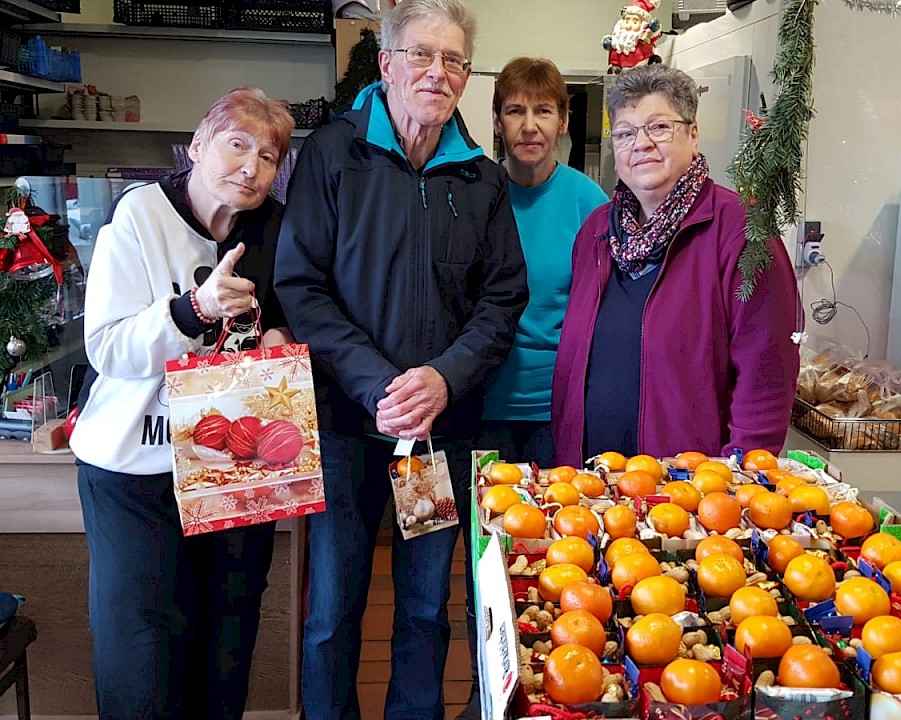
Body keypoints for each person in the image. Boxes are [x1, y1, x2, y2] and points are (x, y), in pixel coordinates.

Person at [273, 0, 528, 717]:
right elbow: (302, 285)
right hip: (348, 430)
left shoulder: (480, 178)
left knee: (423, 609)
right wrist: (379, 383)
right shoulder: (333, 154)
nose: (437, 72)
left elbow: (502, 299)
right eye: (421, 54)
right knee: (332, 612)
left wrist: (444, 378)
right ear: (386, 63)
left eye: (453, 60)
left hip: (433, 444)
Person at [69, 87, 295, 720]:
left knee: (227, 641)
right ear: (198, 144)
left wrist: (278, 336)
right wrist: (193, 309)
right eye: (237, 145)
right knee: (141, 649)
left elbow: (286, 317)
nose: (251, 167)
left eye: (270, 156)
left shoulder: (277, 230)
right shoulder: (138, 217)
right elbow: (107, 347)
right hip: (135, 472)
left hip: (230, 471)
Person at [552, 64, 799, 466]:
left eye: (659, 127)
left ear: (694, 134)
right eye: (626, 132)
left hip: (690, 493)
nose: (641, 144)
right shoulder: (596, 231)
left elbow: (767, 372)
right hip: (590, 483)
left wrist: (740, 476)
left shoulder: (741, 231)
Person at [481, 57, 608, 468]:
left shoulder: (590, 204)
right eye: (515, 111)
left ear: (563, 121)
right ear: (498, 122)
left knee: (555, 528)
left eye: (544, 111)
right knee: (489, 528)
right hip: (480, 405)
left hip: (558, 409)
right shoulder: (475, 195)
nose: (530, 126)